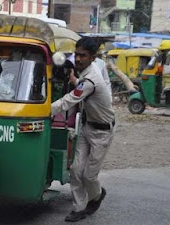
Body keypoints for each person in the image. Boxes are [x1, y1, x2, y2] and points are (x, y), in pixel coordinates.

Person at [51, 37, 116, 222]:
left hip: (102, 132)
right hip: (87, 126)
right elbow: (80, 85)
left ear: (92, 57)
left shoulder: (91, 79)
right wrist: (74, 80)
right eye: (76, 54)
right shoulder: (87, 73)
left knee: (89, 175)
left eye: (83, 56)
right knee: (75, 170)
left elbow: (69, 100)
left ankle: (96, 195)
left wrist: (43, 109)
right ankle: (79, 208)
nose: (78, 59)